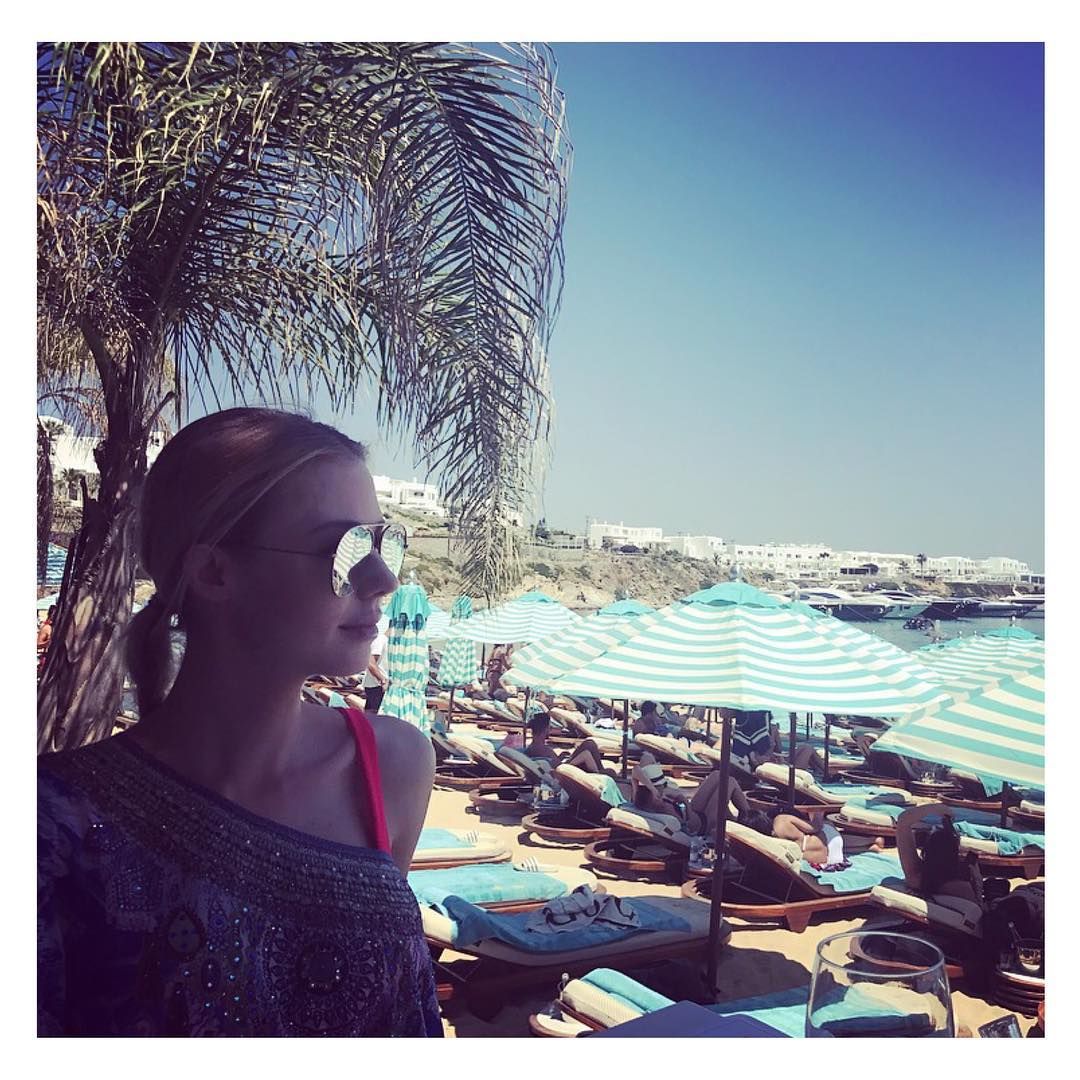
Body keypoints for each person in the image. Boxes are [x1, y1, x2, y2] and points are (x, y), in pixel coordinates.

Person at [37, 408, 442, 1037]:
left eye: (383, 542)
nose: (383, 578)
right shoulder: (54, 826)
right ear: (213, 571)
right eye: (345, 550)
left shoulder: (393, 766)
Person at [525, 712, 616, 777]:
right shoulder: (540, 748)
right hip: (564, 771)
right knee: (589, 747)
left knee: (589, 743)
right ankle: (599, 773)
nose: (550, 729)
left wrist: (561, 757)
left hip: (563, 766)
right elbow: (556, 767)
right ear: (545, 729)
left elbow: (552, 762)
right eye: (549, 727)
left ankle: (600, 771)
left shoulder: (535, 746)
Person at [361, 625, 389, 713]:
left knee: (372, 714)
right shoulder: (381, 640)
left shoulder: (389, 642)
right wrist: (382, 680)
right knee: (375, 714)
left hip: (379, 685)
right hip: (376, 686)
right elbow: (370, 663)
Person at [37, 604, 56, 674]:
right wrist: (47, 643)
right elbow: (38, 644)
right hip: (47, 659)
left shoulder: (59, 627)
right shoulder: (47, 628)